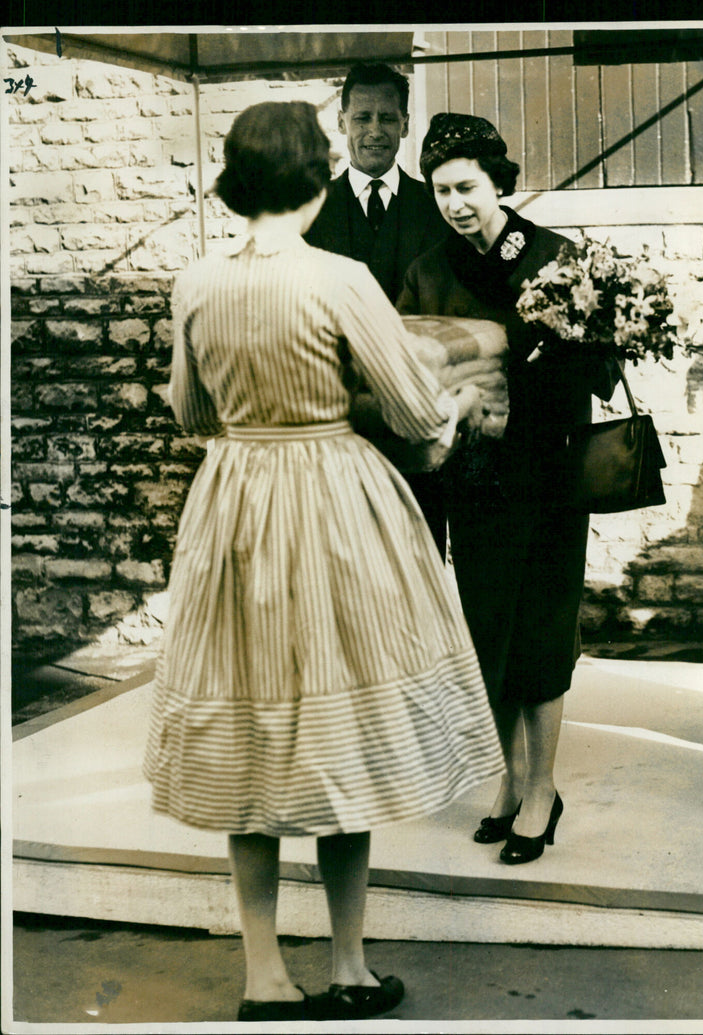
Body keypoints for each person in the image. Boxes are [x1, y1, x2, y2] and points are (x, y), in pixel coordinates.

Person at [143, 101, 503, 1022]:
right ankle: (348, 964)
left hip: (234, 508)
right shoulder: (340, 277)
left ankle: (263, 972)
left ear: (234, 179)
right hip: (336, 501)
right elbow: (419, 413)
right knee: (341, 722)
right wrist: (455, 407)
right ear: (316, 177)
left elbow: (190, 419)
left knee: (254, 726)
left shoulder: (196, 280)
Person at [397, 113, 619, 866]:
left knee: (543, 629)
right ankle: (508, 778)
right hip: (477, 478)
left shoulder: (558, 260)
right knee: (489, 628)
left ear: (501, 182)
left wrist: (537, 364)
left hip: (550, 473)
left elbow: (603, 372)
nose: (456, 203)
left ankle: (544, 787)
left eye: (467, 187)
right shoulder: (428, 272)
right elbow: (410, 371)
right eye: (441, 191)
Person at [305, 62, 450, 556]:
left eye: (387, 119)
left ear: (406, 125)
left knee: (418, 557)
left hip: (415, 426)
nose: (374, 131)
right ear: (342, 121)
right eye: (362, 117)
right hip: (338, 425)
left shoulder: (436, 210)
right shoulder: (311, 211)